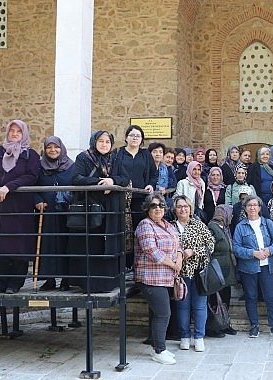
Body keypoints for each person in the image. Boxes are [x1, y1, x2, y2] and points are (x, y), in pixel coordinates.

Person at [0, 120, 40, 294]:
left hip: (18, 207)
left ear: (24, 134)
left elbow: (31, 176)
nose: (14, 134)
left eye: (18, 132)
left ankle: (15, 283)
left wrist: (7, 187)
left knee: (18, 245)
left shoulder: (31, 155)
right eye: (11, 131)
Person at [67, 130, 129, 292]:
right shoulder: (84, 157)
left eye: (107, 142)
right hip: (91, 206)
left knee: (108, 243)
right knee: (91, 244)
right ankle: (88, 284)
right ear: (94, 142)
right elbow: (76, 178)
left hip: (110, 208)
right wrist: (100, 182)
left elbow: (125, 178)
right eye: (101, 141)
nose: (104, 144)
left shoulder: (115, 158)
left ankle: (108, 283)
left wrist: (112, 181)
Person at [134, 193, 182, 365]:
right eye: (154, 206)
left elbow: (179, 243)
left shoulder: (168, 225)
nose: (158, 209)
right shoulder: (145, 225)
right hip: (150, 278)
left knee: (158, 313)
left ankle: (159, 346)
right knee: (163, 313)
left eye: (161, 205)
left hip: (166, 277)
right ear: (147, 208)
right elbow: (152, 251)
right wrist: (173, 264)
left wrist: (179, 259)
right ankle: (159, 351)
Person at [233, 194, 273, 339]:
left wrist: (269, 250)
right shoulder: (240, 226)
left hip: (267, 266)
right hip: (248, 268)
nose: (253, 208)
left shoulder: (267, 223)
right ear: (245, 208)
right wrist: (252, 253)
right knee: (251, 297)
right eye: (249, 205)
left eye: (255, 205)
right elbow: (236, 248)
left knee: (270, 297)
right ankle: (254, 326)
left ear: (260, 208)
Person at [171, 195, 214, 353]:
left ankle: (199, 337)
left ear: (190, 208)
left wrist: (193, 251)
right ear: (175, 210)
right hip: (179, 274)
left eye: (186, 206)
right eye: (179, 206)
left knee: (200, 306)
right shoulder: (170, 227)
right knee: (182, 306)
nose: (183, 209)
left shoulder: (199, 225)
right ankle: (184, 337)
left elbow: (210, 246)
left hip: (198, 272)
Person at [34, 136, 75, 291]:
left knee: (67, 244)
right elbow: (33, 186)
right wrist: (37, 200)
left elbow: (76, 183)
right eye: (49, 147)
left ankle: (66, 279)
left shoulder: (71, 166)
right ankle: (49, 279)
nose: (53, 150)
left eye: (56, 147)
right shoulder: (39, 167)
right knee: (48, 245)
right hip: (47, 211)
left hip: (66, 212)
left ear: (61, 148)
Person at [115, 125, 158, 268]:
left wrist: (151, 185)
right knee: (122, 231)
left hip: (140, 199)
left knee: (138, 231)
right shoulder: (118, 153)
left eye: (138, 136)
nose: (134, 138)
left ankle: (136, 263)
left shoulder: (145, 155)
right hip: (122, 198)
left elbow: (153, 174)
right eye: (132, 135)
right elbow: (113, 173)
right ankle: (122, 265)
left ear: (142, 140)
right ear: (126, 137)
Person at [206, 204, 238, 337]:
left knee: (225, 299)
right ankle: (213, 328)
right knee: (215, 300)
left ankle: (224, 324)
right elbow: (209, 249)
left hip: (226, 270)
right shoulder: (212, 228)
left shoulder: (224, 228)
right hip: (217, 271)